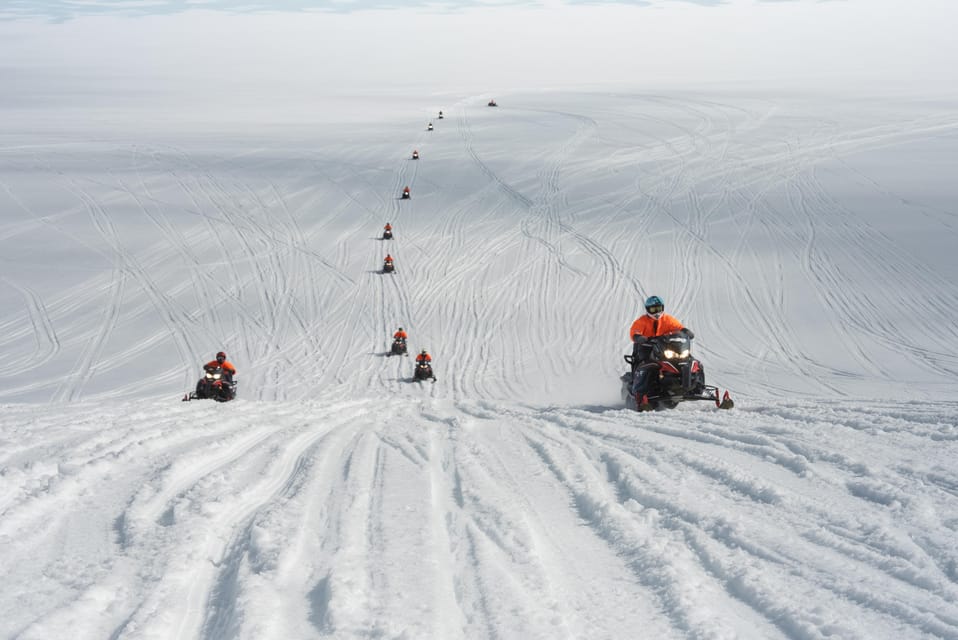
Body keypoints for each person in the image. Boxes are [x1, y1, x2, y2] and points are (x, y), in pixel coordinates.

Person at [628, 296, 686, 407]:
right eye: (653, 310)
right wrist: (638, 337)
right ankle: (640, 391)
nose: (656, 312)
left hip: (664, 347)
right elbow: (634, 331)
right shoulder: (642, 321)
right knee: (646, 364)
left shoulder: (667, 319)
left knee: (685, 359)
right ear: (647, 310)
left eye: (658, 309)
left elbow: (677, 327)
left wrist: (685, 331)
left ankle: (693, 385)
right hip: (645, 347)